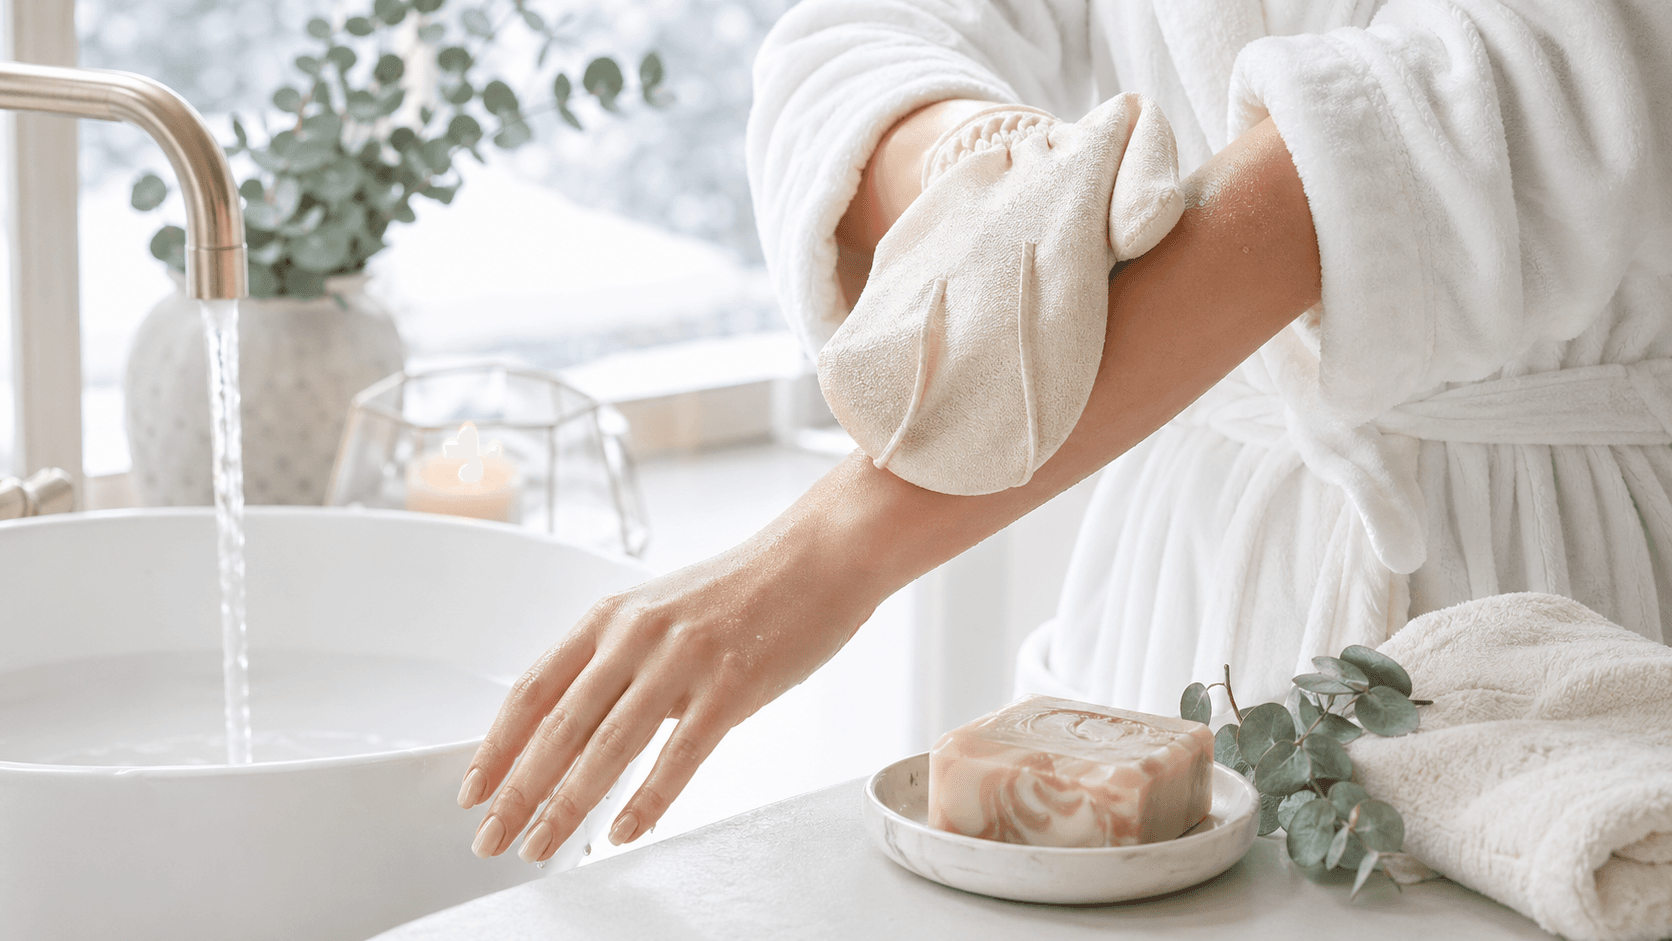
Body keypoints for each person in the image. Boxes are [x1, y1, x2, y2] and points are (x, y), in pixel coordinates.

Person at [457, 0, 1672, 865]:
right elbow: (862, 35)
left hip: (1544, 556)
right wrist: (993, 178)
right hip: (1181, 569)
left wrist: (819, 557)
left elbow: (1420, 141)